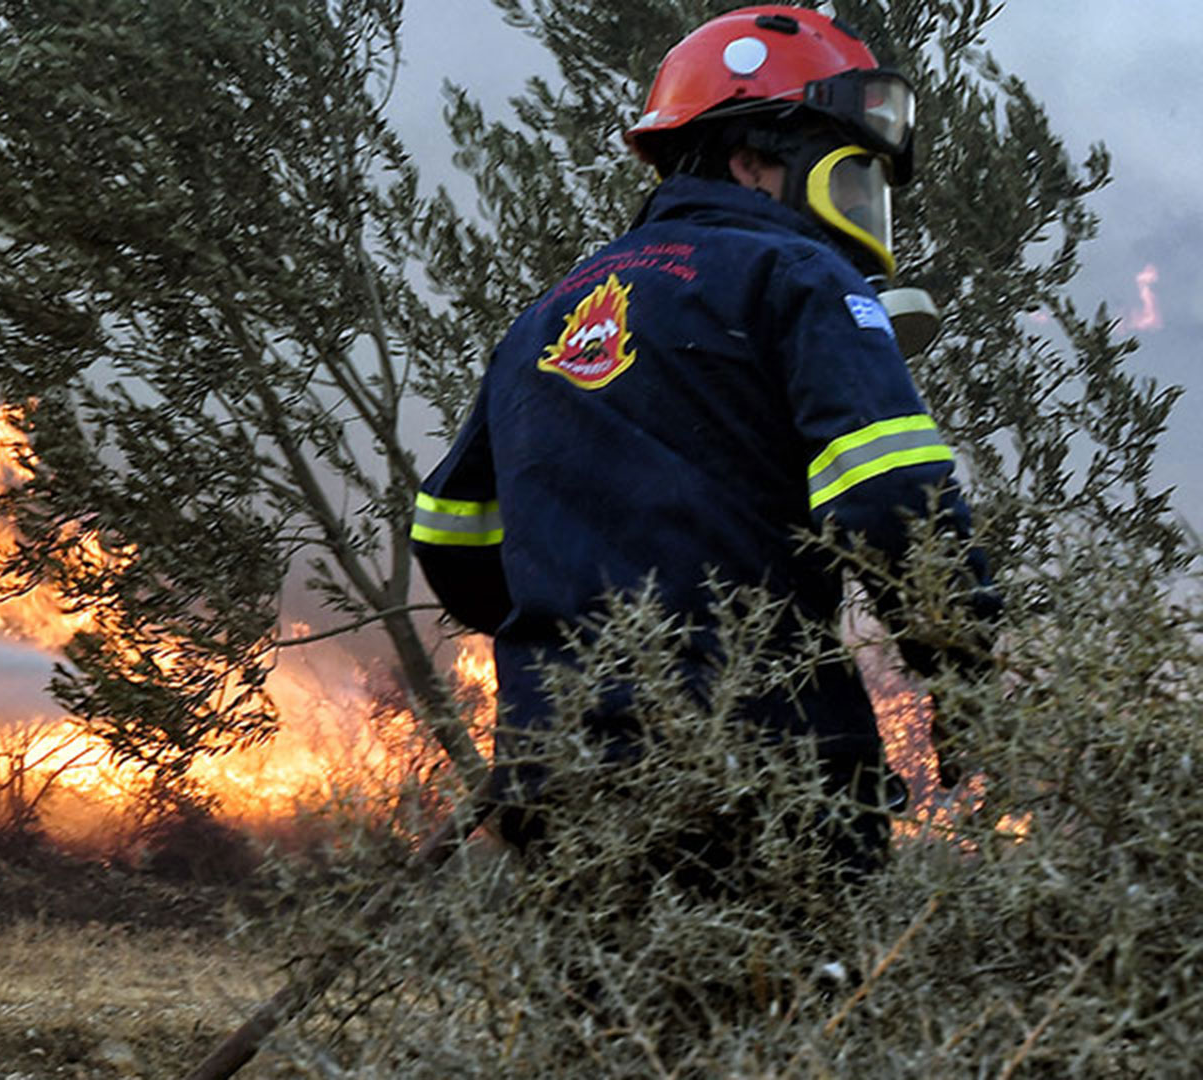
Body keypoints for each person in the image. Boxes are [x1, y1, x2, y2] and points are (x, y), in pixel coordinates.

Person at [410, 6, 997, 879]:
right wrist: (965, 676)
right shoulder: (800, 278)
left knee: (606, 1014)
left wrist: (579, 633)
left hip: (560, 774)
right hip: (765, 768)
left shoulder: (549, 314)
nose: (862, 207)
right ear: (753, 161)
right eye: (849, 173)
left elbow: (451, 534)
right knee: (799, 1013)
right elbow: (890, 499)